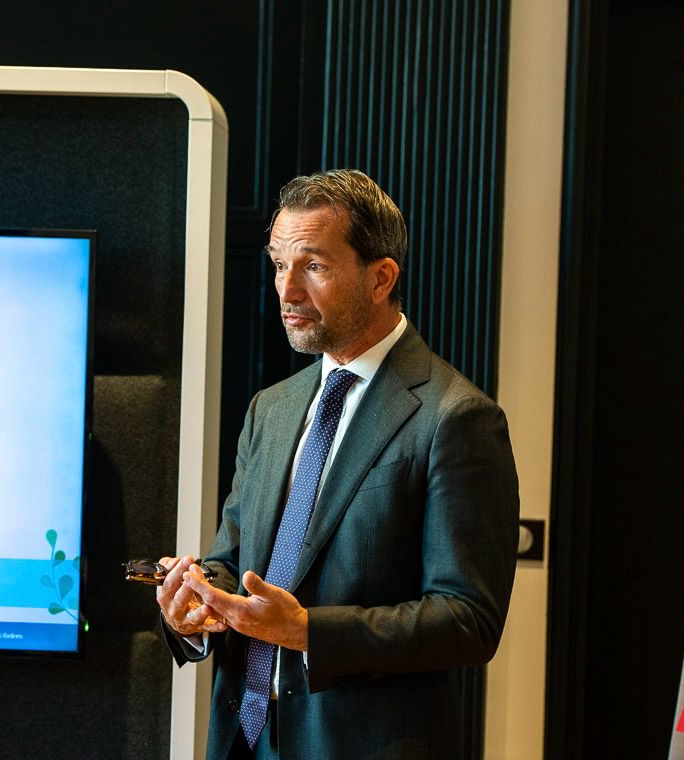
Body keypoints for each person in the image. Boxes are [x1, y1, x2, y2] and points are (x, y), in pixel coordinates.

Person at [156, 169, 520, 759]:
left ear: (381, 278)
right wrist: (195, 602)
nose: (287, 291)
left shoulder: (455, 418)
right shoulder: (271, 409)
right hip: (242, 739)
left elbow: (468, 620)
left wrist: (307, 632)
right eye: (279, 265)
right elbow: (234, 562)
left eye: (313, 267)